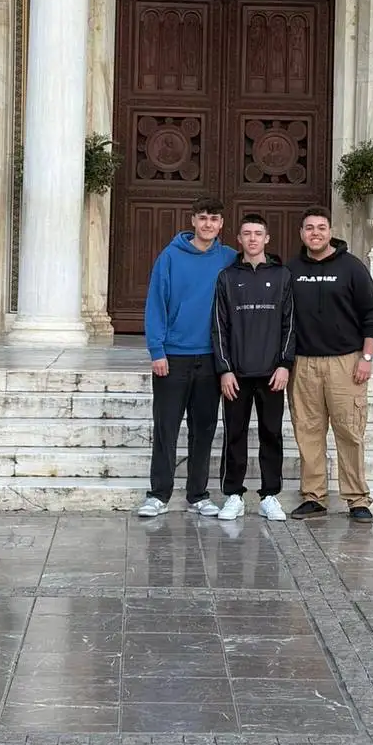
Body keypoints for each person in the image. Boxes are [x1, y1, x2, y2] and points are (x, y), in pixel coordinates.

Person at [138, 196, 237, 518]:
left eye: (214, 219)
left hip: (211, 358)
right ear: (193, 220)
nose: (208, 224)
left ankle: (198, 495)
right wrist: (157, 350)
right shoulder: (170, 257)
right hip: (174, 356)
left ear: (221, 224)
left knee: (204, 429)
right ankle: (159, 494)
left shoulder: (229, 258)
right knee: (166, 428)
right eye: (203, 218)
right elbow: (156, 302)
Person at [287, 207, 373, 524]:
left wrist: (366, 358)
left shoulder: (352, 267)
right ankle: (313, 497)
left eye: (321, 227)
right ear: (301, 233)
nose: (315, 233)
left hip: (346, 363)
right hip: (303, 364)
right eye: (309, 227)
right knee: (307, 432)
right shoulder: (291, 270)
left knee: (349, 431)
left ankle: (357, 499)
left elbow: (372, 315)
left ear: (330, 232)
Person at [212, 213, 295, 522]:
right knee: (234, 434)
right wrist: (224, 369)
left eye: (258, 233)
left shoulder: (282, 276)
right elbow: (218, 327)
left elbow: (290, 324)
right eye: (247, 233)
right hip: (236, 375)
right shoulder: (227, 277)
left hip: (272, 374)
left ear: (267, 238)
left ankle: (270, 496)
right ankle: (233, 495)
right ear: (239, 239)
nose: (252, 239)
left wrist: (285, 364)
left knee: (271, 434)